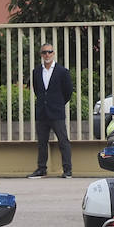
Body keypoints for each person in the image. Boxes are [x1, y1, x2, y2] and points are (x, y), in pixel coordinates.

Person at [27, 42, 74, 177]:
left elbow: (68, 91)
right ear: (41, 55)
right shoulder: (36, 71)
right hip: (42, 112)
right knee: (42, 142)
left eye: (49, 52)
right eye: (44, 52)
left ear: (53, 54)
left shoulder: (62, 71)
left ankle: (67, 170)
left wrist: (58, 103)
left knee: (63, 141)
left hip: (57, 111)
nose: (47, 55)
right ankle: (41, 168)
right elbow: (37, 89)